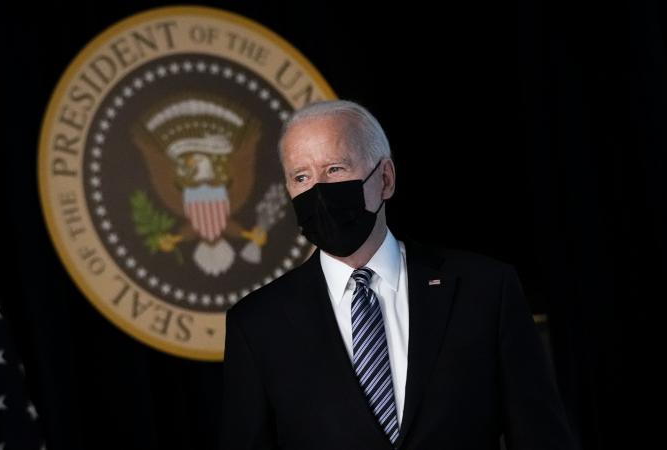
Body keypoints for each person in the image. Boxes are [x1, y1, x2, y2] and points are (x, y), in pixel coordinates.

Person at [220, 100, 575, 450]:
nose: (319, 190)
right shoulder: (257, 326)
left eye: (336, 169)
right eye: (301, 177)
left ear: (385, 179)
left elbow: (541, 435)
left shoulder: (484, 290)